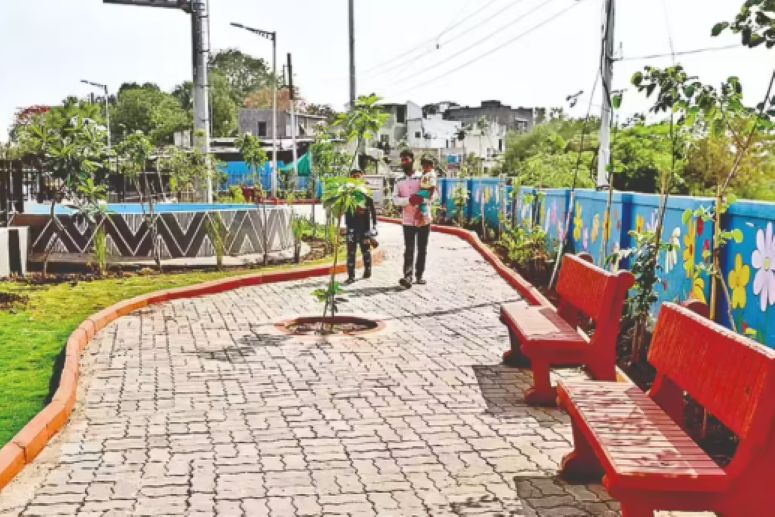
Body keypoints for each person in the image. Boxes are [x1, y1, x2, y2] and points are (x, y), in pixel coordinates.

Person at [392, 150, 435, 288]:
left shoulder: (423, 176)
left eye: (406, 159)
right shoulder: (398, 180)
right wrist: (408, 200)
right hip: (408, 220)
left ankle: (419, 275)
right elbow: (395, 199)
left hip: (423, 218)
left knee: (422, 248)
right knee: (409, 249)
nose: (404, 162)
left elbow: (432, 195)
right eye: (402, 160)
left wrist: (421, 200)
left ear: (412, 160)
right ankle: (408, 276)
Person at [344, 168, 377, 285]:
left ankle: (368, 270)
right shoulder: (347, 191)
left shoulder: (366, 191)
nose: (356, 178)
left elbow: (372, 209)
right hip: (351, 226)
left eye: (358, 176)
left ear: (362, 177)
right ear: (350, 178)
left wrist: (374, 225)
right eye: (354, 176)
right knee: (351, 252)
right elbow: (343, 207)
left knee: (366, 250)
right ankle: (351, 276)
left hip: (364, 227)